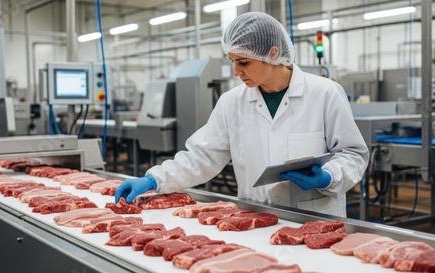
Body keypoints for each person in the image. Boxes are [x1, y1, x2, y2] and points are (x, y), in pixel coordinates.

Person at [115, 11, 369, 217]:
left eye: (243, 62)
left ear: (272, 54)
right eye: (232, 61)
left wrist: (327, 177)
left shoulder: (325, 93)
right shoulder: (232, 102)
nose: (236, 72)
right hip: (255, 220)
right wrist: (153, 179)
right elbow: (202, 157)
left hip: (315, 220)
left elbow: (353, 154)